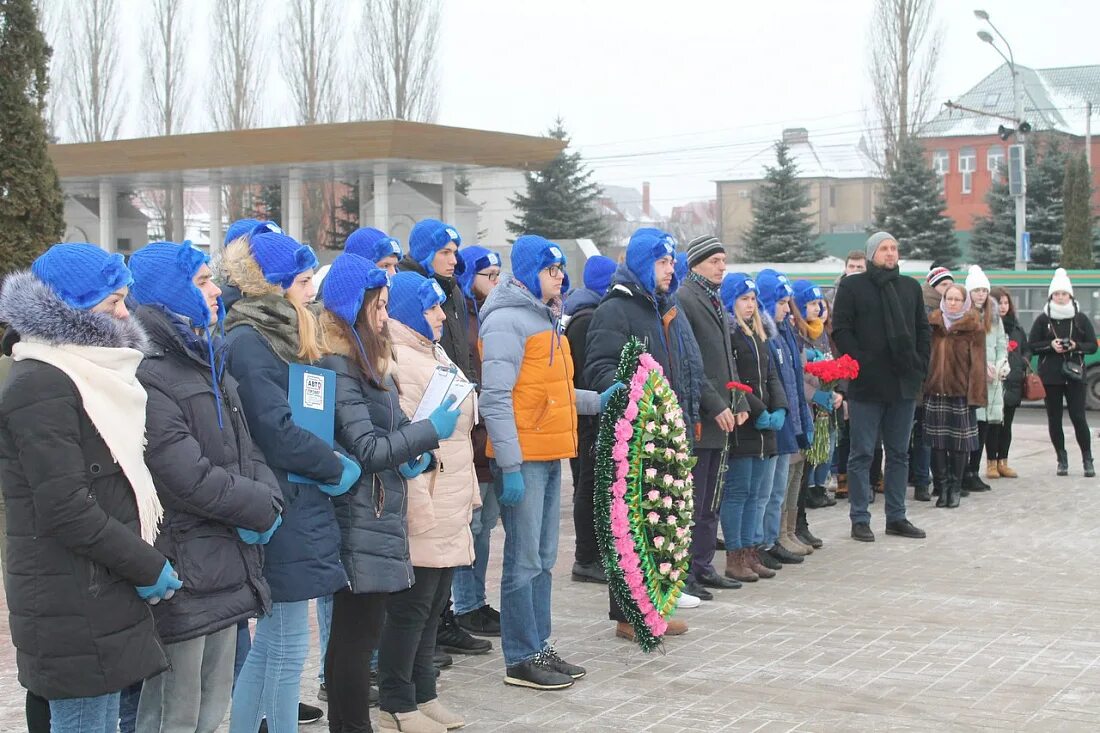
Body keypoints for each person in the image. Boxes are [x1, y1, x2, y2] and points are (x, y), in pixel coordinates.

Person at [0, 244, 177, 733]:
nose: (125, 313)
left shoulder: (88, 373)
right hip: (71, 595)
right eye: (112, 302)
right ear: (71, 309)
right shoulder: (42, 383)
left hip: (98, 586)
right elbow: (66, 507)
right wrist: (146, 563)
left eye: (125, 300)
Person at [128, 241, 284, 733]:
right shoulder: (150, 373)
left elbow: (247, 449)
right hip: (184, 565)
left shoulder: (204, 359)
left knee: (211, 704)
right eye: (201, 281)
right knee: (175, 710)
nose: (216, 290)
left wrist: (269, 498)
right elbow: (183, 476)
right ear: (171, 292)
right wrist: (259, 507)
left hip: (224, 559)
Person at [222, 231, 363, 733]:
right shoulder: (249, 342)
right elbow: (275, 432)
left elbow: (311, 418)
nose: (311, 292)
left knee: (274, 649)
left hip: (300, 499)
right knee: (284, 650)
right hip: (281, 502)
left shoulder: (281, 337)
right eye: (303, 281)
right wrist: (333, 464)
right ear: (273, 287)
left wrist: (335, 454)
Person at [317, 254, 459, 733]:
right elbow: (367, 447)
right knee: (356, 640)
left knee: (359, 635)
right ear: (354, 310)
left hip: (376, 515)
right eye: (377, 308)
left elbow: (387, 436)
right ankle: (353, 725)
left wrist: (411, 453)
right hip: (359, 518)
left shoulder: (368, 364)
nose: (384, 317)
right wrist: (428, 433)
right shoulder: (339, 367)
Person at [480, 234, 616, 690]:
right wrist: (511, 465)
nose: (560, 277)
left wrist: (597, 401)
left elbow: (549, 394)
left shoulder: (547, 319)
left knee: (542, 558)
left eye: (560, 270)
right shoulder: (506, 322)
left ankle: (540, 644)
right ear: (528, 272)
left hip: (548, 452)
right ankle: (520, 655)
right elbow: (496, 399)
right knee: (522, 560)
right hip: (523, 458)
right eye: (551, 270)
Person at [585, 228, 705, 619]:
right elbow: (600, 369)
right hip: (635, 436)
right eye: (662, 262)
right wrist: (636, 401)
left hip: (663, 433)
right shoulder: (616, 308)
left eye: (671, 261)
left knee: (658, 526)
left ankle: (654, 606)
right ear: (642, 263)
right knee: (632, 529)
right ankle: (628, 614)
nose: (670, 270)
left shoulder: (659, 305)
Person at [831, 232, 930, 543]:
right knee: (862, 453)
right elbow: (841, 329)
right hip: (867, 384)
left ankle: (896, 517)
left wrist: (919, 365)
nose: (890, 253)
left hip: (903, 383)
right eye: (884, 249)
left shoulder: (910, 287)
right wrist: (861, 362)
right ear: (872, 253)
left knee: (899, 453)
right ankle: (860, 518)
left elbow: (922, 330)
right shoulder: (853, 286)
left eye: (894, 248)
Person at [676, 237, 749, 597]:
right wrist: (715, 404)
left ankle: (704, 566)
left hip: (723, 413)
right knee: (695, 498)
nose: (722, 267)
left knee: (712, 498)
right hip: (702, 417)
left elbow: (726, 357)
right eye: (715, 260)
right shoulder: (686, 297)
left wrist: (738, 400)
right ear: (696, 263)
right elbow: (691, 362)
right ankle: (686, 572)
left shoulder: (713, 298)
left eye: (724, 260)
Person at [718, 273, 787, 582]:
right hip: (745, 423)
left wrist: (780, 407)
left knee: (759, 492)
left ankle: (751, 551)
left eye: (753, 299)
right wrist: (759, 409)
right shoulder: (730, 335)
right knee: (739, 491)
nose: (750, 305)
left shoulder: (760, 336)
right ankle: (735, 556)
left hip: (765, 427)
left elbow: (771, 377)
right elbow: (735, 380)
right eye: (744, 299)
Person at [451, 246, 506, 636]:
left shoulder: (492, 315)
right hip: (469, 434)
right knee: (469, 524)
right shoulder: (461, 317)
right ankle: (463, 604)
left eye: (499, 274)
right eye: (488, 274)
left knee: (485, 523)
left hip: (490, 435)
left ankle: (475, 601)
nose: (495, 281)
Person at [562, 254, 617, 585]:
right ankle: (586, 558)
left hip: (590, 413)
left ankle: (595, 552)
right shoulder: (586, 320)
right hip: (587, 417)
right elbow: (584, 374)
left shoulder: (589, 315)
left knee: (594, 485)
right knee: (588, 485)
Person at [754, 270, 815, 567]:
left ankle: (784, 533)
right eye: (780, 302)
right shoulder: (766, 334)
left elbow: (794, 378)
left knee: (784, 483)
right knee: (770, 487)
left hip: (791, 416)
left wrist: (803, 419)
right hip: (776, 419)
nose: (785, 308)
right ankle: (769, 538)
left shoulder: (786, 331)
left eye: (787, 302)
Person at [1029, 268, 1097, 477]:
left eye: (1064, 294)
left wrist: (1075, 345)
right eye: (1056, 294)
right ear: (1051, 296)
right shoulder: (1043, 319)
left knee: (1078, 417)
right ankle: (1062, 459)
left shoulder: (1080, 319)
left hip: (1075, 374)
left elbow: (1092, 346)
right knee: (1054, 419)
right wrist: (1051, 345)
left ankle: (1087, 459)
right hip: (1051, 376)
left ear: (1070, 295)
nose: (1060, 297)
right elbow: (1032, 345)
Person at [923, 284, 985, 508]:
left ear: (965, 302)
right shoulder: (933, 324)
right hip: (935, 392)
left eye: (957, 299)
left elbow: (978, 365)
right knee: (937, 443)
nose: (952, 303)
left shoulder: (973, 327)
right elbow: (923, 357)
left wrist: (976, 396)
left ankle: (956, 488)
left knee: (959, 443)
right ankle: (943, 486)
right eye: (949, 298)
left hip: (960, 393)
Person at [792, 279, 838, 544]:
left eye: (818, 303)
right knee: (798, 472)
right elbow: (797, 376)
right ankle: (794, 524)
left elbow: (828, 364)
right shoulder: (797, 333)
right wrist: (816, 394)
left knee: (809, 466)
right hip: (805, 407)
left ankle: (800, 522)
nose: (817, 308)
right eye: (810, 303)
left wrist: (832, 390)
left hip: (818, 410)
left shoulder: (819, 331)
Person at [911, 266, 955, 500]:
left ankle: (934, 481)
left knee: (932, 434)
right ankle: (921, 481)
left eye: (950, 284)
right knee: (923, 434)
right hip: (924, 380)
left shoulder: (950, 310)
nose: (949, 289)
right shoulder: (928, 310)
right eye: (944, 285)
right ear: (934, 286)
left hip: (939, 380)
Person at [964, 265, 1006, 492]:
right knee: (973, 425)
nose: (981, 294)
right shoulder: (965, 315)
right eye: (976, 290)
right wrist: (980, 367)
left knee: (985, 427)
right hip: (973, 380)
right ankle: (965, 471)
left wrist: (1000, 364)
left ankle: (973, 470)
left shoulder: (994, 316)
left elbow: (1000, 343)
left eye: (983, 290)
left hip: (992, 380)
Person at [988, 287, 1028, 478]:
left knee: (1007, 425)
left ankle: (1004, 461)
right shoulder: (990, 323)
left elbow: (1027, 350)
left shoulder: (1017, 327)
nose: (1003, 307)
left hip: (1012, 381)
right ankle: (991, 463)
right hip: (994, 381)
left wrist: (1018, 360)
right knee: (993, 425)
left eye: (1005, 303)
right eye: (999, 303)